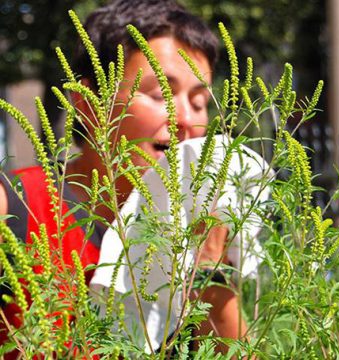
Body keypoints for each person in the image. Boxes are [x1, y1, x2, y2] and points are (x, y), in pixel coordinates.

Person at [0, 0, 247, 356]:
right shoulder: (18, 207)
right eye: (161, 93)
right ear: (87, 103)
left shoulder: (197, 228)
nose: (185, 120)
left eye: (198, 101)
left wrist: (207, 269)